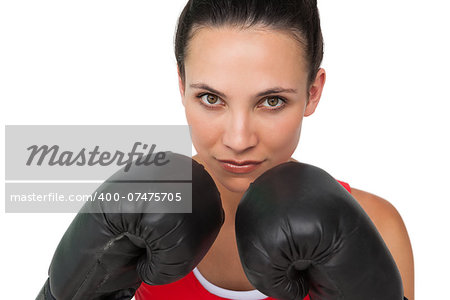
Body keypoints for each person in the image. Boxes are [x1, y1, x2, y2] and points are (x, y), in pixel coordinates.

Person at [135, 0, 414, 299]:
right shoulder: (138, 215)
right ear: (181, 85)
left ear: (312, 92)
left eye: (272, 101)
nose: (239, 140)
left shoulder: (376, 227)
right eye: (210, 98)